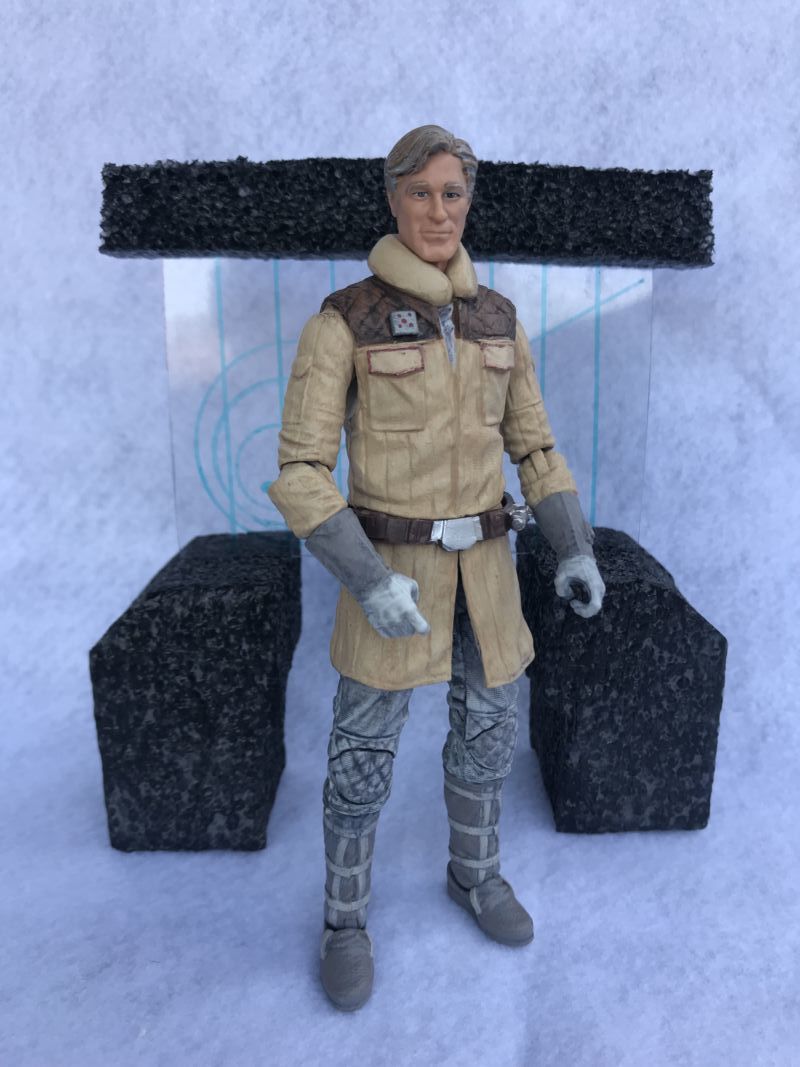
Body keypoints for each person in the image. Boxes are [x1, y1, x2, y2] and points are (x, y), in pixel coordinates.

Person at [268, 124, 605, 1012]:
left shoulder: (498, 319)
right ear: (392, 199)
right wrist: (365, 577)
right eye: (419, 193)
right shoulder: (344, 320)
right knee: (361, 754)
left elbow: (535, 446)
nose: (438, 211)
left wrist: (572, 544)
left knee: (488, 736)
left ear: (469, 201)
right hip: (391, 579)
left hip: (487, 577)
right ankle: (344, 918)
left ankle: (475, 874)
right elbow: (300, 470)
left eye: (453, 193)